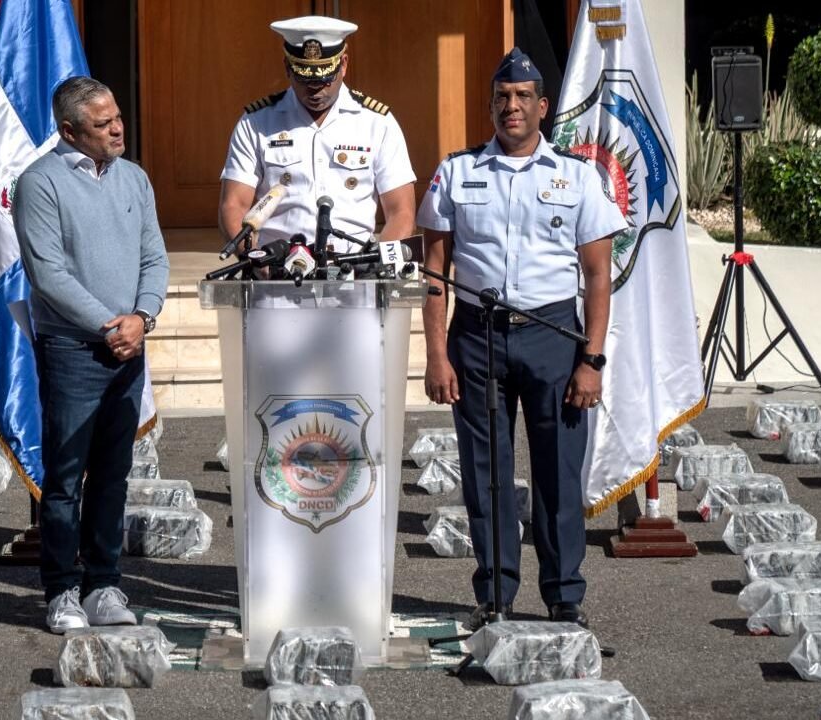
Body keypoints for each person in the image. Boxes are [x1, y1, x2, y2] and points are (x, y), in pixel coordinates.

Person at [415, 48, 626, 630]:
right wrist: (436, 355)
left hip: (553, 337)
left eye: (523, 97)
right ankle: (496, 595)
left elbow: (598, 277)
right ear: (490, 105)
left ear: (543, 106)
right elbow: (436, 274)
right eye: (503, 97)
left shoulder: (578, 177)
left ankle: (564, 597)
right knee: (486, 472)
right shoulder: (456, 173)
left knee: (558, 472)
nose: (512, 107)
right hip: (476, 340)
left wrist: (593, 359)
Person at [14, 76, 170, 634]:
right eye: (104, 125)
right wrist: (111, 326)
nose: (118, 129)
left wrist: (142, 319)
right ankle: (61, 590)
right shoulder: (40, 183)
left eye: (118, 118)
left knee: (113, 473)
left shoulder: (134, 178)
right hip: (74, 350)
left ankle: (104, 583)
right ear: (70, 130)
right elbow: (47, 275)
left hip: (128, 347)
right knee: (65, 476)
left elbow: (155, 256)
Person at [219, 15, 416, 257]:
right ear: (287, 67)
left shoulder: (377, 123)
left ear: (343, 64)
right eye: (304, 78)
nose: (315, 89)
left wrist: (377, 266)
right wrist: (257, 260)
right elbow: (234, 205)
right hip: (278, 273)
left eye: (324, 78)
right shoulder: (257, 123)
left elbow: (401, 212)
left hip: (354, 272)